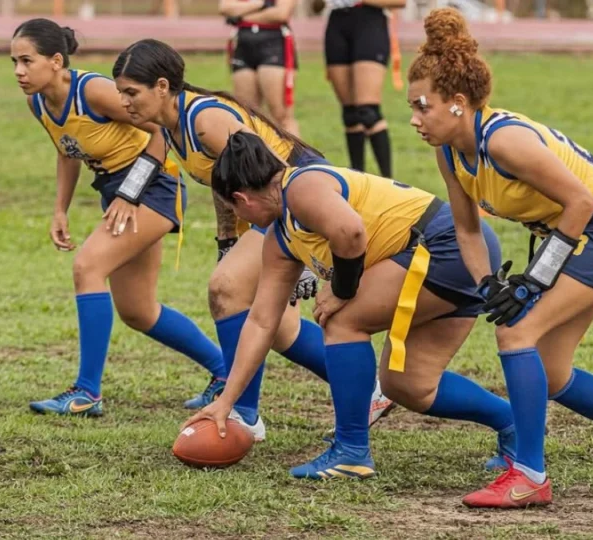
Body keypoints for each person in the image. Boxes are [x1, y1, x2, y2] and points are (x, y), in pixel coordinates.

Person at [406, 8, 593, 508]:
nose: (414, 118)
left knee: (516, 333)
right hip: (570, 235)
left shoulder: (503, 140)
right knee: (551, 373)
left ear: (458, 104)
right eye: (412, 107)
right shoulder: (449, 151)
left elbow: (581, 202)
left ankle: (529, 474)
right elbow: (467, 227)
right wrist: (488, 284)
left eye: (423, 106)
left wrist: (533, 282)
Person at [185, 131, 518, 479]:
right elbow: (261, 322)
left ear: (241, 198)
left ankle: (351, 451)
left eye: (234, 209)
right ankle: (513, 423)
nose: (239, 217)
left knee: (341, 320)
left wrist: (342, 290)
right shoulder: (280, 238)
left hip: (448, 245)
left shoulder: (300, 186)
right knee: (408, 385)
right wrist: (226, 402)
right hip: (454, 250)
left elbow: (351, 232)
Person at [112, 39, 395, 439]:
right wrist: (226, 239)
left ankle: (243, 415)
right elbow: (224, 182)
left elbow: (274, 178)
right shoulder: (169, 125)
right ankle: (371, 390)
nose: (123, 102)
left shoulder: (206, 119)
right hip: (268, 207)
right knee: (279, 328)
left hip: (297, 201)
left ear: (161, 86)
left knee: (225, 289)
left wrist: (298, 253)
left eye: (130, 92)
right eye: (120, 92)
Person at [10, 19, 227, 416]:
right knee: (138, 311)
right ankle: (225, 372)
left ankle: (86, 392)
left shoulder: (93, 91)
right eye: (14, 62)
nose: (19, 71)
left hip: (154, 186)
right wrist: (59, 209)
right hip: (116, 192)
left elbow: (161, 131)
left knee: (87, 267)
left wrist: (131, 193)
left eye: (27, 61)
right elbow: (67, 150)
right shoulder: (38, 101)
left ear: (56, 61)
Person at [318, 0, 405, 178]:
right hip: (337, 21)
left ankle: (389, 182)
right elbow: (316, 7)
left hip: (369, 21)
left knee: (368, 111)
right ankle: (357, 180)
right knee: (350, 115)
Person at [219, 0, 301, 135]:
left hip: (274, 45)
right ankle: (257, 148)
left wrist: (240, 17)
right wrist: (261, 4)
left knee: (281, 115)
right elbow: (225, 8)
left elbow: (281, 14)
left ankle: (293, 149)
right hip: (243, 44)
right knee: (246, 115)